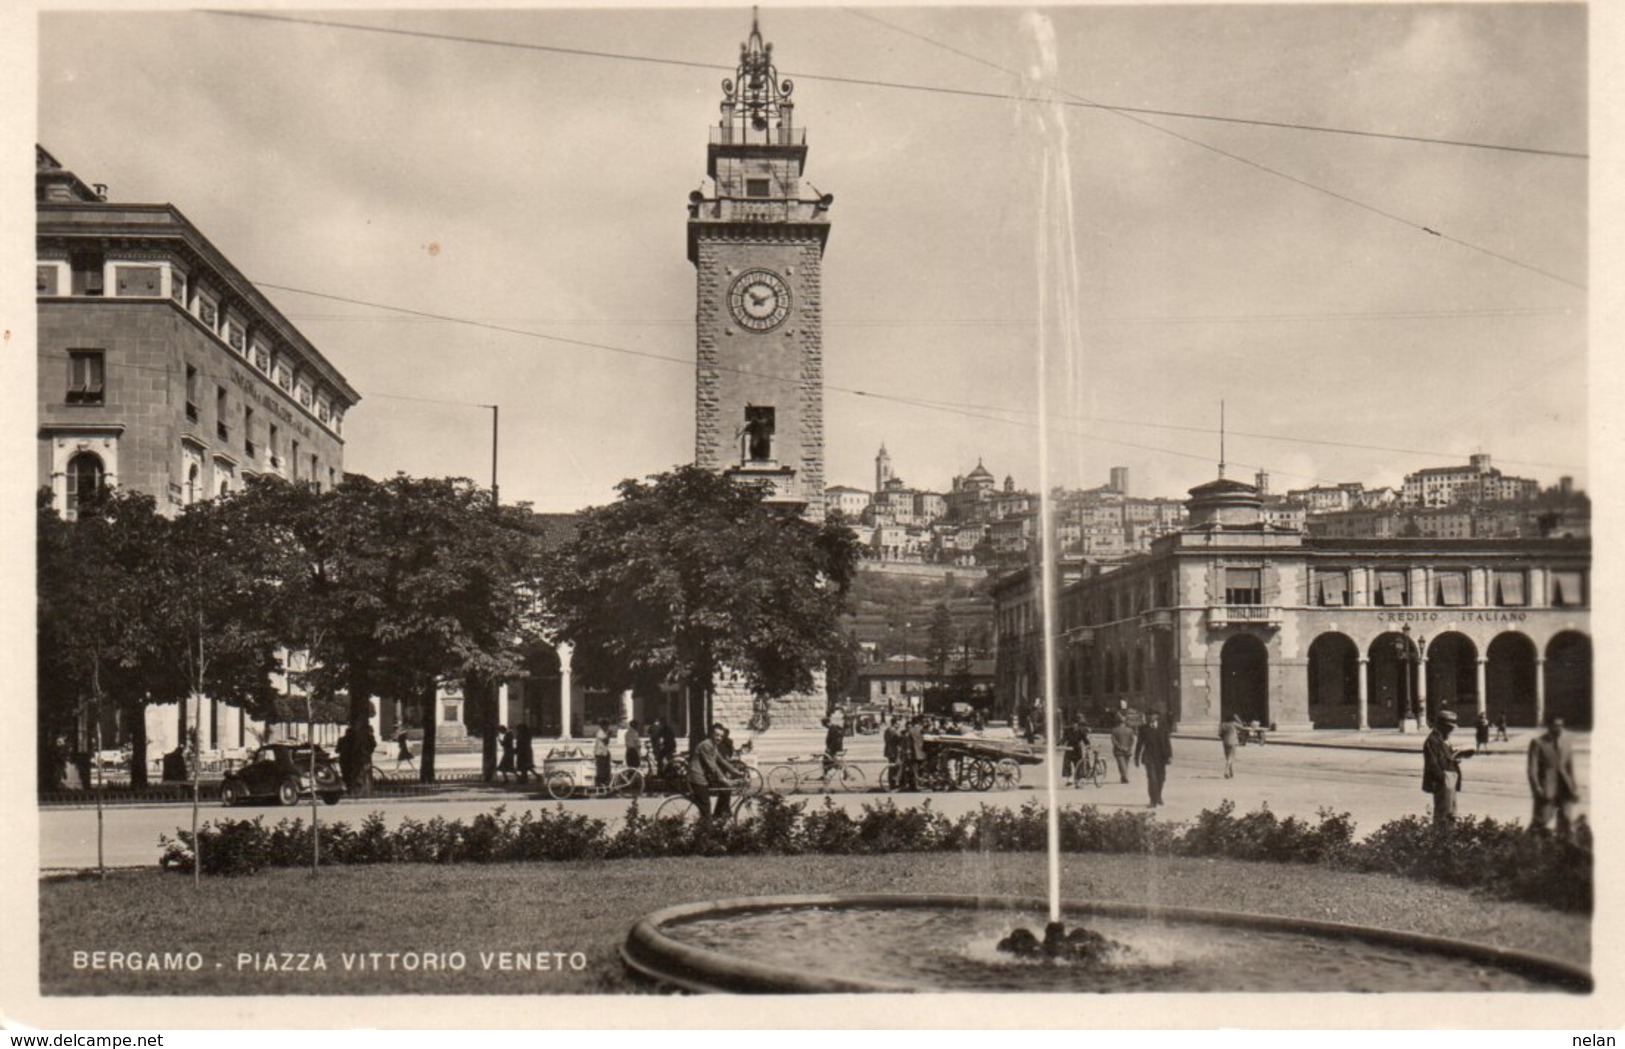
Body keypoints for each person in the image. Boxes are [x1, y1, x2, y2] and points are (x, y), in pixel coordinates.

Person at [1526, 715, 1579, 837]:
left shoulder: (1566, 742)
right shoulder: (1538, 743)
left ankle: (1562, 851)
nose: (1558, 728)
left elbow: (1570, 768)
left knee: (1566, 822)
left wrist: (1574, 789)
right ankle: (1525, 848)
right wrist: (1537, 789)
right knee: (1540, 821)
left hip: (1565, 789)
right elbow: (1532, 769)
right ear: (1549, 726)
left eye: (1561, 725)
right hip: (1547, 789)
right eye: (1555, 725)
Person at [1421, 710, 1474, 825]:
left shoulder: (1444, 740)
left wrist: (1455, 759)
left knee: (1451, 812)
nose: (1451, 730)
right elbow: (1432, 764)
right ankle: (1442, 839)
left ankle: (1449, 837)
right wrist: (1443, 779)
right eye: (1449, 728)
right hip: (1444, 779)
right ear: (1441, 726)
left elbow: (1444, 758)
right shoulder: (1433, 740)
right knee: (1443, 813)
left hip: (1450, 777)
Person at [688, 722, 740, 820]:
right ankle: (706, 829)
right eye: (717, 735)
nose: (719, 738)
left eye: (721, 736)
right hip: (697, 779)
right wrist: (724, 778)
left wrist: (735, 772)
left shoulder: (713, 745)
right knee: (706, 808)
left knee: (726, 790)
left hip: (705, 776)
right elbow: (713, 766)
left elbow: (722, 760)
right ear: (711, 734)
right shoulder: (706, 745)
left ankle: (718, 814)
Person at [1133, 711, 1172, 807]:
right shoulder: (1143, 728)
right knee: (1152, 779)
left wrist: (1169, 756)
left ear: (1156, 716)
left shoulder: (1163, 728)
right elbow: (1139, 744)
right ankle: (1152, 801)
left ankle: (1158, 796)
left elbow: (1167, 743)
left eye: (1151, 715)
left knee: (1161, 778)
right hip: (1148, 757)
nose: (1149, 717)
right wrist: (1136, 758)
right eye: (1147, 715)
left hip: (1161, 758)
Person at [1110, 715, 1136, 785]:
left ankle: (1124, 777)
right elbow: (1132, 740)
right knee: (1125, 765)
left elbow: (1113, 741)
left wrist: (1120, 747)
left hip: (1118, 751)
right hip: (1127, 750)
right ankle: (1124, 777)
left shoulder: (1114, 730)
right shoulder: (1130, 730)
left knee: (1121, 765)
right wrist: (1129, 747)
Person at [593, 720, 612, 790]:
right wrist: (609, 735)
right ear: (603, 726)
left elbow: (607, 742)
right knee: (600, 770)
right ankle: (600, 785)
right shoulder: (600, 732)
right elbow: (606, 741)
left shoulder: (604, 732)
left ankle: (604, 784)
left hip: (604, 753)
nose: (607, 727)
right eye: (606, 726)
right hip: (600, 754)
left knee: (605, 770)